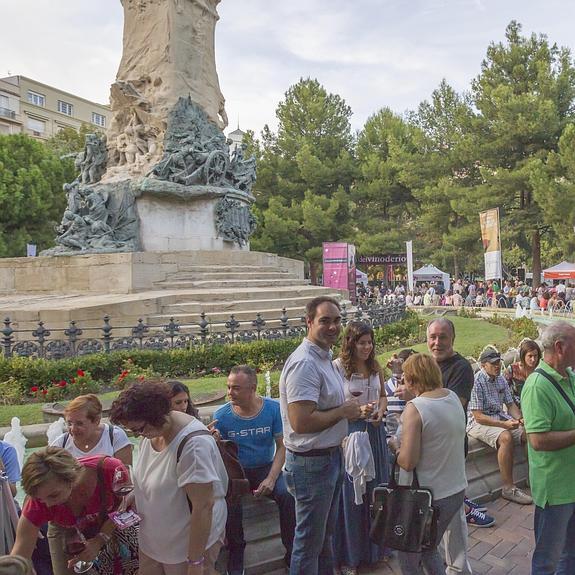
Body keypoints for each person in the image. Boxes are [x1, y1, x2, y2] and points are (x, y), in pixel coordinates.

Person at [110, 380, 228, 575]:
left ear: (156, 415)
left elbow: (203, 507)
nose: (137, 435)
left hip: (188, 547)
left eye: (138, 428)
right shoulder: (152, 432)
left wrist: (196, 562)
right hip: (154, 541)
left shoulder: (194, 447)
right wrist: (133, 497)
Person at [279, 296, 361, 575]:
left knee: (324, 536)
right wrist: (343, 412)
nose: (333, 326)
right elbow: (300, 422)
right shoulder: (305, 364)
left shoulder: (325, 359)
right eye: (325, 320)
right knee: (308, 545)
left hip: (328, 458)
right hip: (311, 464)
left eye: (337, 320)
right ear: (309, 322)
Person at [213, 365, 295, 575]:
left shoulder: (272, 409)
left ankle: (292, 551)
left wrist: (270, 478)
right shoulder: (221, 416)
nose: (230, 393)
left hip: (265, 467)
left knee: (287, 495)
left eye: (236, 388)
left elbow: (282, 446)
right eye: (228, 387)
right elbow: (219, 456)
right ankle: (236, 551)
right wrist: (213, 442)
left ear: (253, 388)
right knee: (229, 499)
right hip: (236, 471)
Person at [10, 447, 138, 575]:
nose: (48, 505)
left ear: (71, 478)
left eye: (53, 495)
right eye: (40, 499)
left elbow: (126, 506)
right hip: (66, 529)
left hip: (115, 523)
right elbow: (20, 555)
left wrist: (100, 539)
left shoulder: (109, 469)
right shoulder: (40, 499)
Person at [397, 353, 467, 574]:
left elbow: (408, 461)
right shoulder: (453, 398)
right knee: (428, 548)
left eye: (404, 378)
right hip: (455, 491)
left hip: (427, 498)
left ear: (412, 380)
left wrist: (393, 448)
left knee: (408, 553)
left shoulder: (415, 408)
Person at [332, 322, 390, 575]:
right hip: (352, 436)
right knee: (352, 497)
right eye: (361, 342)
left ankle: (375, 550)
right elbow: (332, 404)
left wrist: (380, 410)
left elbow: (383, 396)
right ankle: (350, 556)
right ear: (350, 343)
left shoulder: (375, 366)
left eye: (370, 342)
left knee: (375, 494)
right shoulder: (337, 369)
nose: (367, 347)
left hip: (374, 434)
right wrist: (355, 411)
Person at [521, 321, 575, 574]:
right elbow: (537, 440)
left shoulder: (569, 376)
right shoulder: (536, 386)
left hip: (571, 483)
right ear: (560, 347)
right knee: (547, 561)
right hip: (554, 490)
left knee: (571, 555)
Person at [467, 347, 532, 504]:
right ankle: (508, 488)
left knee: (528, 433)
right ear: (483, 365)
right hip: (477, 423)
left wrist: (520, 419)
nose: (497, 366)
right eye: (493, 363)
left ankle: (533, 478)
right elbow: (478, 416)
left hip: (499, 417)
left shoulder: (501, 379)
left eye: (498, 363)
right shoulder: (477, 382)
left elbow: (510, 405)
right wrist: (504, 424)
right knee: (506, 437)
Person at [50, 395, 132, 465]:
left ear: (96, 421)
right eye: (69, 423)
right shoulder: (60, 445)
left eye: (79, 423)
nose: (73, 429)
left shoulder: (115, 437)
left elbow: (126, 477)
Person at [504, 339, 541, 406]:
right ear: (523, 356)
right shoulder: (512, 370)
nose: (533, 359)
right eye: (530, 356)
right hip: (515, 407)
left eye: (535, 356)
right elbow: (505, 392)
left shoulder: (540, 371)